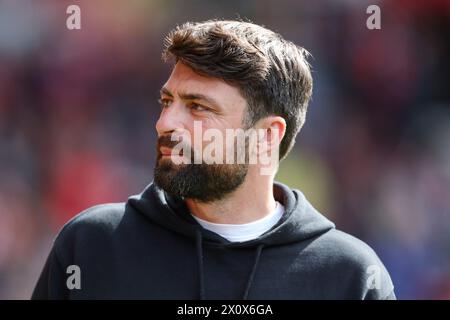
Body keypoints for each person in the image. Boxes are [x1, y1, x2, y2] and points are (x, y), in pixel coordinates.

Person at [32, 20, 395, 300]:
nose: (165, 123)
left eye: (198, 107)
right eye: (167, 101)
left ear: (267, 135)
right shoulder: (92, 246)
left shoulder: (350, 275)